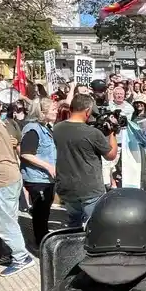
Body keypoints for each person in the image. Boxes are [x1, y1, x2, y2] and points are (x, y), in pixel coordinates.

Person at [0, 94, 36, 276]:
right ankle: (12, 252)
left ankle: (21, 257)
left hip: (0, 180)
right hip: (11, 176)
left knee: (4, 223)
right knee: (9, 219)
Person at [53, 93, 118, 228]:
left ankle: (71, 247)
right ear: (87, 111)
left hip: (67, 187)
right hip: (90, 189)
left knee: (73, 223)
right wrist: (112, 133)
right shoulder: (92, 133)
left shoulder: (57, 128)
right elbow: (110, 155)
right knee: (96, 226)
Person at [19, 98, 57, 249]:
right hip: (37, 178)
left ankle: (43, 236)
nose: (56, 111)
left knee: (44, 210)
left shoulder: (45, 127)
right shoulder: (32, 129)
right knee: (40, 212)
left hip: (46, 178)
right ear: (42, 112)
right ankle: (40, 242)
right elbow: (26, 153)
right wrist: (47, 166)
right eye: (53, 109)